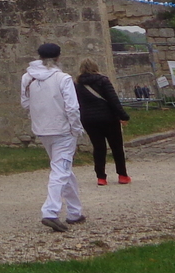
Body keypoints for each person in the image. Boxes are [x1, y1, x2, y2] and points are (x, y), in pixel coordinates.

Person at [22, 42, 83, 232]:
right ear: (58, 57)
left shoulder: (27, 77)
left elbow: (25, 103)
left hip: (42, 129)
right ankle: (50, 211)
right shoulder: (63, 78)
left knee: (63, 168)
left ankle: (74, 211)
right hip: (63, 130)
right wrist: (76, 128)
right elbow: (72, 107)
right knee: (60, 170)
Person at [75, 59, 131, 186]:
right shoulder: (103, 81)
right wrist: (123, 116)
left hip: (89, 119)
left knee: (98, 147)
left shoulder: (77, 84)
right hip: (108, 118)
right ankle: (122, 175)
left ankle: (101, 177)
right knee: (116, 147)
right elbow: (113, 99)